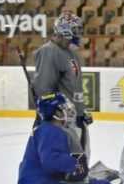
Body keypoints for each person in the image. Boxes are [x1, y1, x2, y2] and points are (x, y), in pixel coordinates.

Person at [32, 12, 89, 154]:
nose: (79, 34)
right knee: (64, 161)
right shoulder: (49, 52)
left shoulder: (71, 52)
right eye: (76, 30)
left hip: (74, 117)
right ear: (65, 30)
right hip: (60, 121)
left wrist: (81, 110)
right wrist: (55, 117)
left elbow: (73, 86)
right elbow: (44, 90)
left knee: (80, 160)